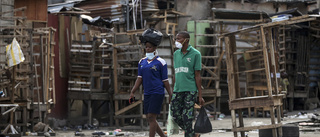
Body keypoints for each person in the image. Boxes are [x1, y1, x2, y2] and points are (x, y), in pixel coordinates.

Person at [130, 29, 172, 137]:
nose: (147, 49)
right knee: (149, 117)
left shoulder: (161, 62)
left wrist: (171, 94)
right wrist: (133, 91)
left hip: (157, 92)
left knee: (152, 117)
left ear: (155, 48)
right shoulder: (142, 62)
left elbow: (165, 81)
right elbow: (139, 78)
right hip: (147, 93)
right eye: (146, 47)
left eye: (149, 47)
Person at [171, 31, 205, 137]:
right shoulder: (176, 54)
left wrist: (200, 95)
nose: (176, 41)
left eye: (178, 39)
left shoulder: (196, 54)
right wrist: (173, 91)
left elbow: (197, 75)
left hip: (190, 90)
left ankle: (189, 134)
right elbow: (175, 73)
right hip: (178, 89)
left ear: (186, 40)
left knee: (187, 117)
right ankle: (193, 134)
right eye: (176, 39)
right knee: (175, 114)